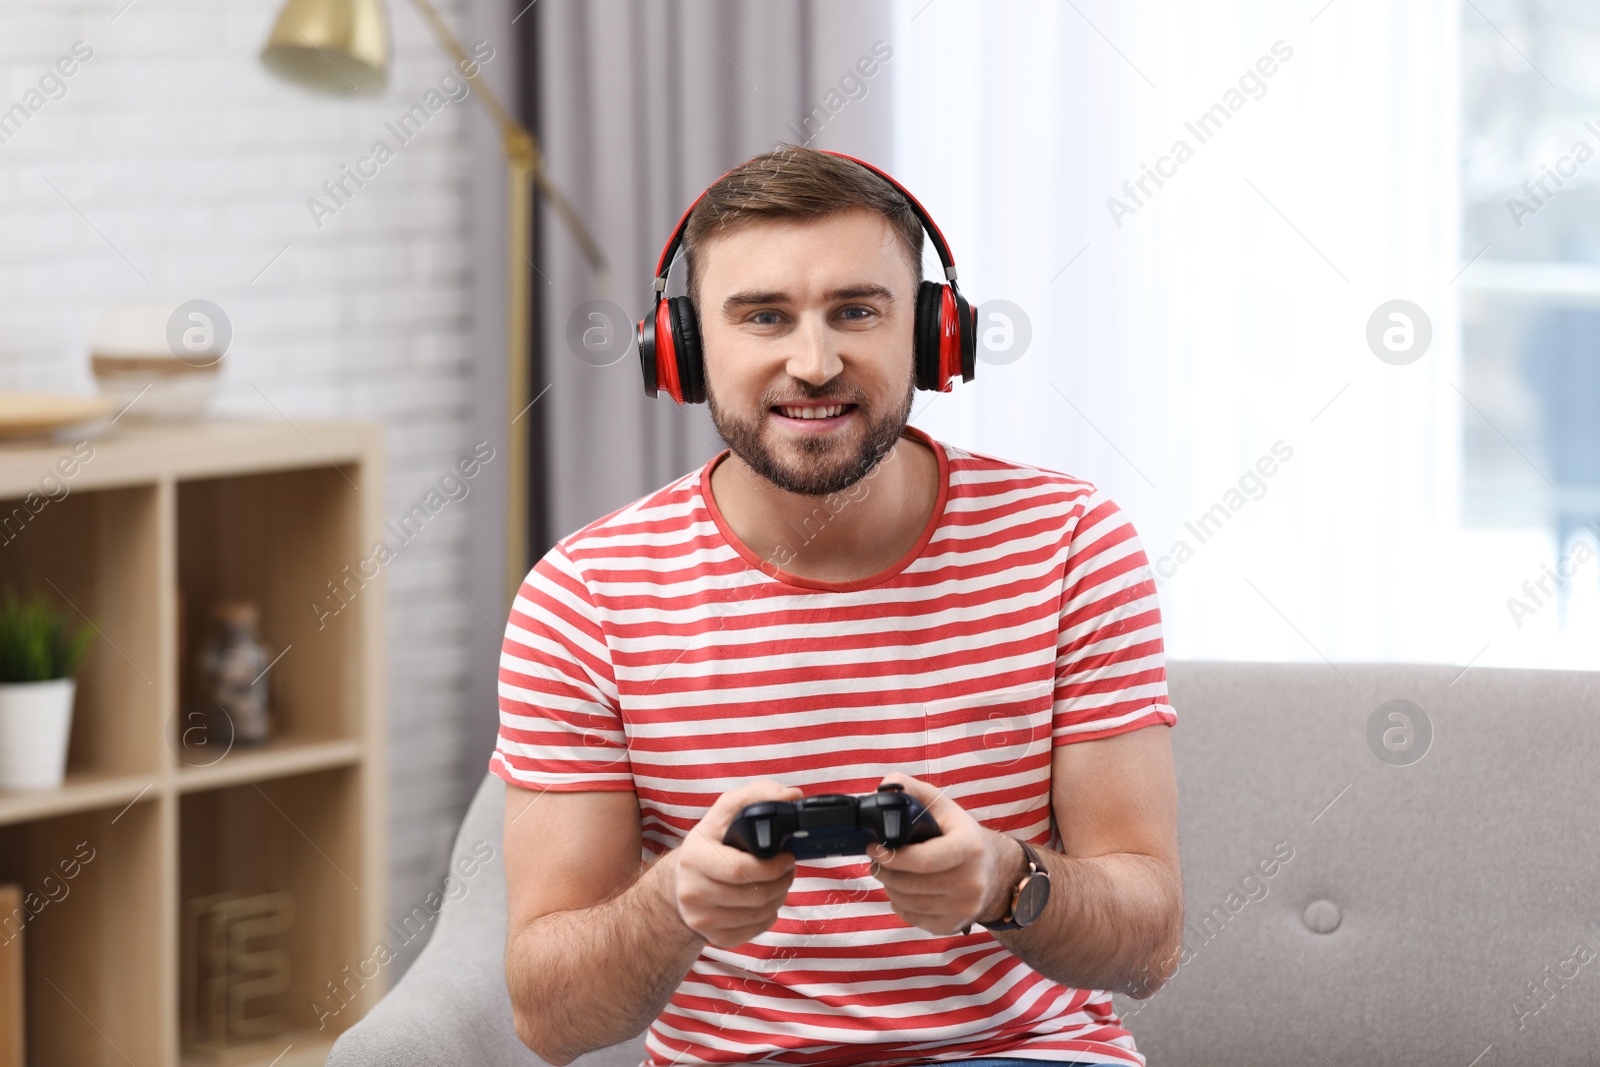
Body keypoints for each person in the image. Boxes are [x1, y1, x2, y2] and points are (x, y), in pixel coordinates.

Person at [492, 144, 1182, 1067]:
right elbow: (552, 1020)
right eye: (763, 317)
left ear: (936, 334)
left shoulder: (1071, 544)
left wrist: (1005, 879)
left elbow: (1152, 946)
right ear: (685, 349)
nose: (813, 363)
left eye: (857, 310)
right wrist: (672, 905)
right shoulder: (583, 598)